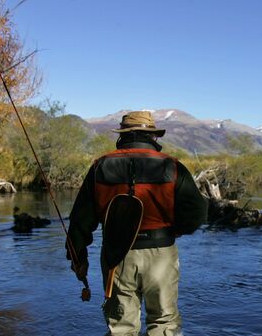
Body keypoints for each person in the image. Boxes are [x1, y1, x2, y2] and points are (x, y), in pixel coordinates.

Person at [67, 111, 208, 336]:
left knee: (121, 327)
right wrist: (176, 230)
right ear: (152, 136)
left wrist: (77, 257)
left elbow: (80, 221)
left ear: (123, 135)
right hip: (161, 252)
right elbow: (199, 212)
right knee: (164, 323)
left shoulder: (100, 166)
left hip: (117, 255)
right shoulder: (172, 166)